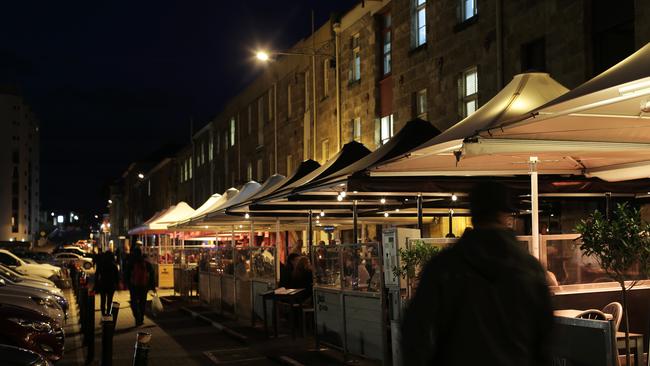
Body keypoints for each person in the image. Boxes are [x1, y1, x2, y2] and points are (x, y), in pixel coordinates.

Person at [401, 181, 553, 366]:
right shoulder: (530, 268)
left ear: (472, 215)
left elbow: (415, 331)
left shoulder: (443, 266)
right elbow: (545, 339)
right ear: (505, 215)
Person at [124, 245, 155, 326]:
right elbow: (152, 273)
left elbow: (126, 274)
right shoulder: (145, 263)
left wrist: (126, 283)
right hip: (144, 286)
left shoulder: (131, 263)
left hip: (134, 286)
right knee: (142, 303)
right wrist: (152, 286)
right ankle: (141, 318)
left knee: (133, 302)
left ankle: (137, 317)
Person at [94, 251, 119, 316]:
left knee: (103, 300)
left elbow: (96, 275)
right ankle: (108, 313)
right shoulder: (114, 265)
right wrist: (117, 284)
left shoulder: (101, 264)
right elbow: (117, 276)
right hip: (111, 284)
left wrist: (96, 284)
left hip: (103, 284)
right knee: (109, 300)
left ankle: (103, 314)